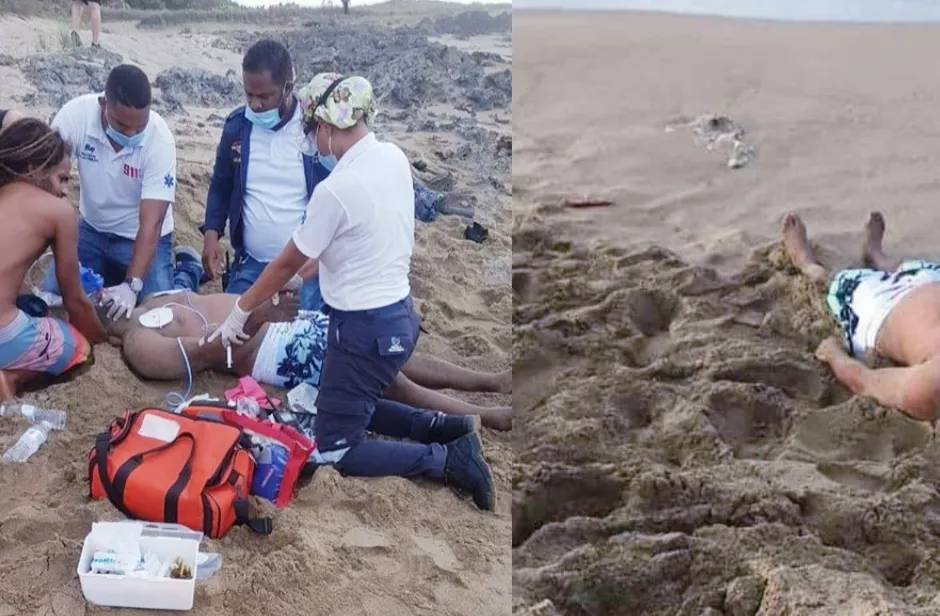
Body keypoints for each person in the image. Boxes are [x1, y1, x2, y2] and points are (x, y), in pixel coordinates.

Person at [207, 73, 496, 511]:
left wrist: (241, 310)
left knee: (337, 447)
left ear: (325, 125)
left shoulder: (335, 190)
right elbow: (339, 247)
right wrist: (292, 281)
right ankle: (444, 425)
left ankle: (445, 460)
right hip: (399, 314)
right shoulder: (392, 157)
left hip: (364, 331)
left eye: (313, 128)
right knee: (346, 402)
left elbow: (287, 259)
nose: (312, 140)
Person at [201, 39, 467, 311]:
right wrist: (211, 234)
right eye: (249, 95)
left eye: (264, 96)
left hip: (305, 265)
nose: (255, 105)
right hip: (252, 262)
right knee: (228, 325)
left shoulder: (316, 129)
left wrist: (430, 203)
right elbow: (221, 183)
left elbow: (365, 173)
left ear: (287, 88)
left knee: (293, 336)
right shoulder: (237, 127)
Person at [95, 281, 512, 431]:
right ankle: (482, 414)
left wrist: (267, 309)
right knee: (387, 380)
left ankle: (490, 381)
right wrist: (259, 317)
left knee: (385, 354)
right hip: (272, 348)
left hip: (279, 320)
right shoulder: (139, 344)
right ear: (102, 334)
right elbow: (210, 353)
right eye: (92, 301)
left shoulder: (152, 299)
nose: (102, 296)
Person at [40, 64, 179, 321]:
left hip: (139, 236)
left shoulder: (160, 141)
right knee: (52, 298)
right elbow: (47, 179)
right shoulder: (75, 117)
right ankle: (114, 275)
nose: (130, 134)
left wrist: (133, 285)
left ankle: (185, 269)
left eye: (139, 128)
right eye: (122, 125)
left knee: (158, 313)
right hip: (91, 229)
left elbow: (152, 222)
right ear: (104, 104)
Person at [783, 211, 940, 421]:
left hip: (882, 310)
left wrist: (834, 355)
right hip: (930, 281)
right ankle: (876, 256)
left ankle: (806, 264)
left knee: (834, 283)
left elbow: (868, 382)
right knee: (914, 267)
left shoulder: (928, 386)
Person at [0, 118, 109, 401]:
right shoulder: (59, 211)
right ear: (33, 169)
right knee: (79, 350)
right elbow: (76, 301)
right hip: (3, 336)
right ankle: (10, 378)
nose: (63, 190)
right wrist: (101, 340)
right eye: (62, 179)